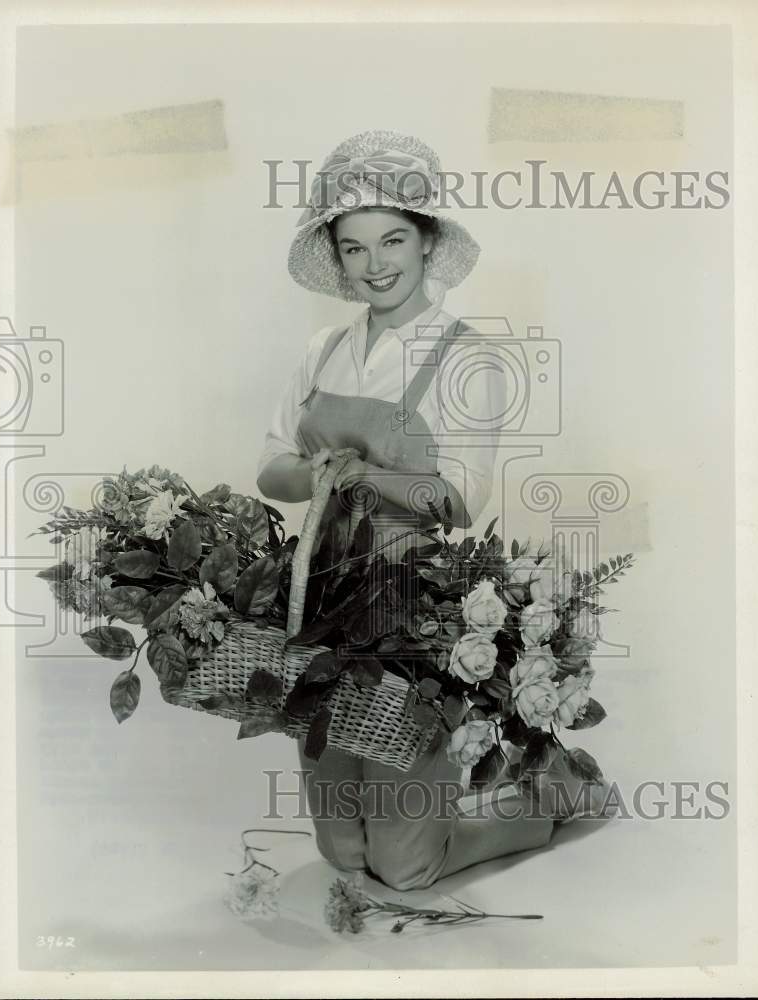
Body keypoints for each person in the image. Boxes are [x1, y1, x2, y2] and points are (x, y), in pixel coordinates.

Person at [256, 130, 609, 891]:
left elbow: (457, 500)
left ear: (424, 246)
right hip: (315, 598)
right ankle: (460, 794)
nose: (375, 263)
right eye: (353, 248)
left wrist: (361, 480)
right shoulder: (322, 349)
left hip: (412, 604)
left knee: (404, 867)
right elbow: (271, 470)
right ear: (337, 258)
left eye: (392, 241)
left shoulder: (462, 353)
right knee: (341, 855)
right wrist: (318, 474)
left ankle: (552, 793)